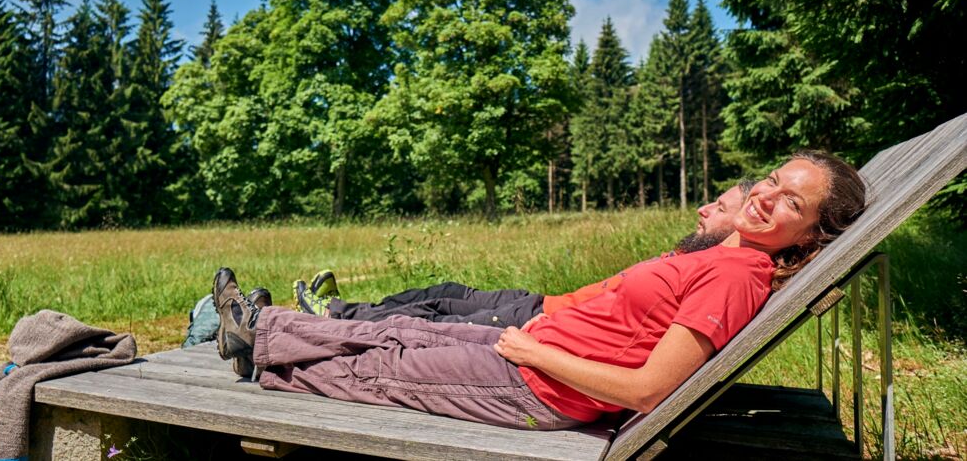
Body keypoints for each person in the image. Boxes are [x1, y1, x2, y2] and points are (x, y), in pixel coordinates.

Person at [215, 151, 866, 430]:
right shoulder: (731, 258)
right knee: (407, 330)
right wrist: (539, 336)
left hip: (542, 385)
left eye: (792, 201)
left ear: (809, 233)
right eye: (773, 180)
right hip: (537, 351)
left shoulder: (735, 277)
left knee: (388, 368)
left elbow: (650, 391)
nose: (766, 197)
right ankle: (260, 332)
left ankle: (260, 351)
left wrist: (537, 355)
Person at [295, 180, 755, 327]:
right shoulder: (691, 255)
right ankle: (346, 311)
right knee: (444, 290)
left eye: (719, 208)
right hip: (542, 302)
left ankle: (334, 317)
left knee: (434, 318)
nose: (703, 207)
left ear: (741, 226)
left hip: (539, 323)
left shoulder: (716, 273)